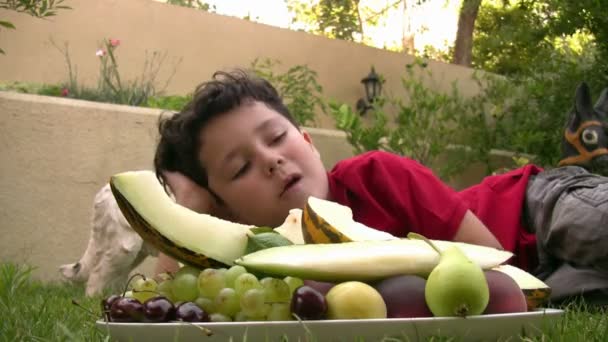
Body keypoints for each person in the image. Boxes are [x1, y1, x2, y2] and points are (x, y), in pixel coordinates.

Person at [151, 70, 607, 303]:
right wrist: (189, 210)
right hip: (543, 285)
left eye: (276, 138)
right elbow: (166, 305)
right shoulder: (262, 265)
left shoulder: (377, 175)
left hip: (534, 210)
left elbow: (490, 255)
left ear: (308, 142)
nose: (271, 160)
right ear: (225, 211)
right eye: (239, 169)